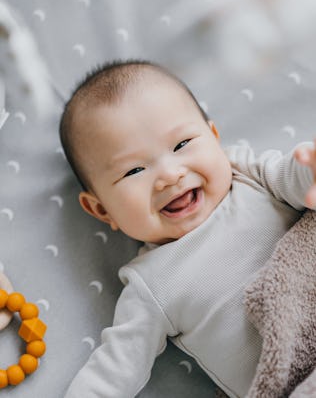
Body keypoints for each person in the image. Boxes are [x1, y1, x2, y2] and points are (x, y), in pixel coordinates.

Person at [59, 59, 316, 398]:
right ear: (102, 209)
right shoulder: (151, 284)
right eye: (134, 170)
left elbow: (295, 180)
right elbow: (111, 372)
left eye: (181, 145)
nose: (170, 174)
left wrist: (310, 170)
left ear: (213, 137)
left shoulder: (248, 176)